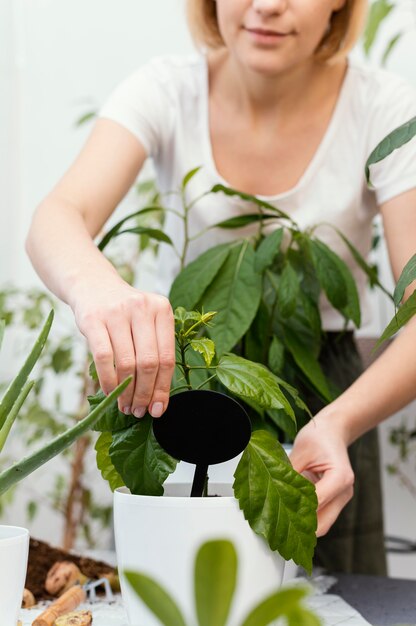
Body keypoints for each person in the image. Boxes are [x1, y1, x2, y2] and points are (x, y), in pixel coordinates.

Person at [26, 0, 416, 574]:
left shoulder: (381, 107)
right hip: (180, 380)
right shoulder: (166, 91)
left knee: (328, 601)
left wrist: (338, 423)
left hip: (323, 400)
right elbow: (58, 216)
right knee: (171, 586)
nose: (266, 6)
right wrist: (99, 291)